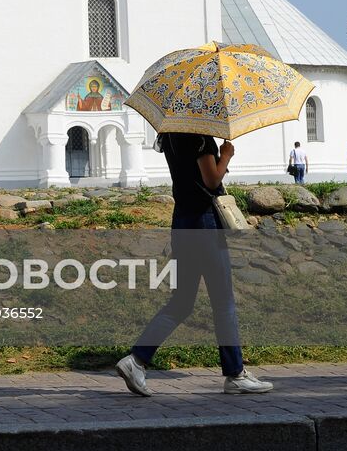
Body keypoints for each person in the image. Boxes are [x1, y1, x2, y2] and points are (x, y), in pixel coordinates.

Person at [116, 133, 272, 397]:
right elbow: (211, 179)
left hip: (182, 221)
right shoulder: (200, 137)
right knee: (223, 302)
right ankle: (235, 374)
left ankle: (137, 360)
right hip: (204, 224)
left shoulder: (170, 136)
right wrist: (226, 156)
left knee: (182, 301)